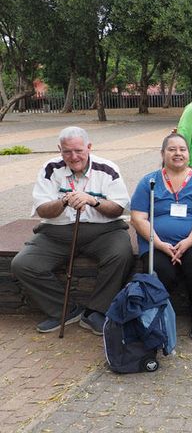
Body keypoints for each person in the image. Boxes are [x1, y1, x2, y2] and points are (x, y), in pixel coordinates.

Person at [11, 126, 133, 335]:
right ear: (60, 150)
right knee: (23, 264)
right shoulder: (50, 169)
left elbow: (118, 209)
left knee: (121, 254)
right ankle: (65, 311)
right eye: (67, 151)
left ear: (89, 147)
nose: (73, 156)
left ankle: (96, 312)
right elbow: (43, 210)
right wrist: (64, 201)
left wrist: (93, 201)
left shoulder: (107, 168)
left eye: (78, 150)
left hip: (104, 231)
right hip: (57, 232)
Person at [130, 133, 192, 339]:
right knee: (161, 271)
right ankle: (156, 318)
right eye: (172, 149)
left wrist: (188, 242)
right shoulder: (149, 181)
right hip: (156, 242)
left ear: (188, 153)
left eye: (182, 149)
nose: (178, 153)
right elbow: (138, 218)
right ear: (162, 153)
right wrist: (159, 244)